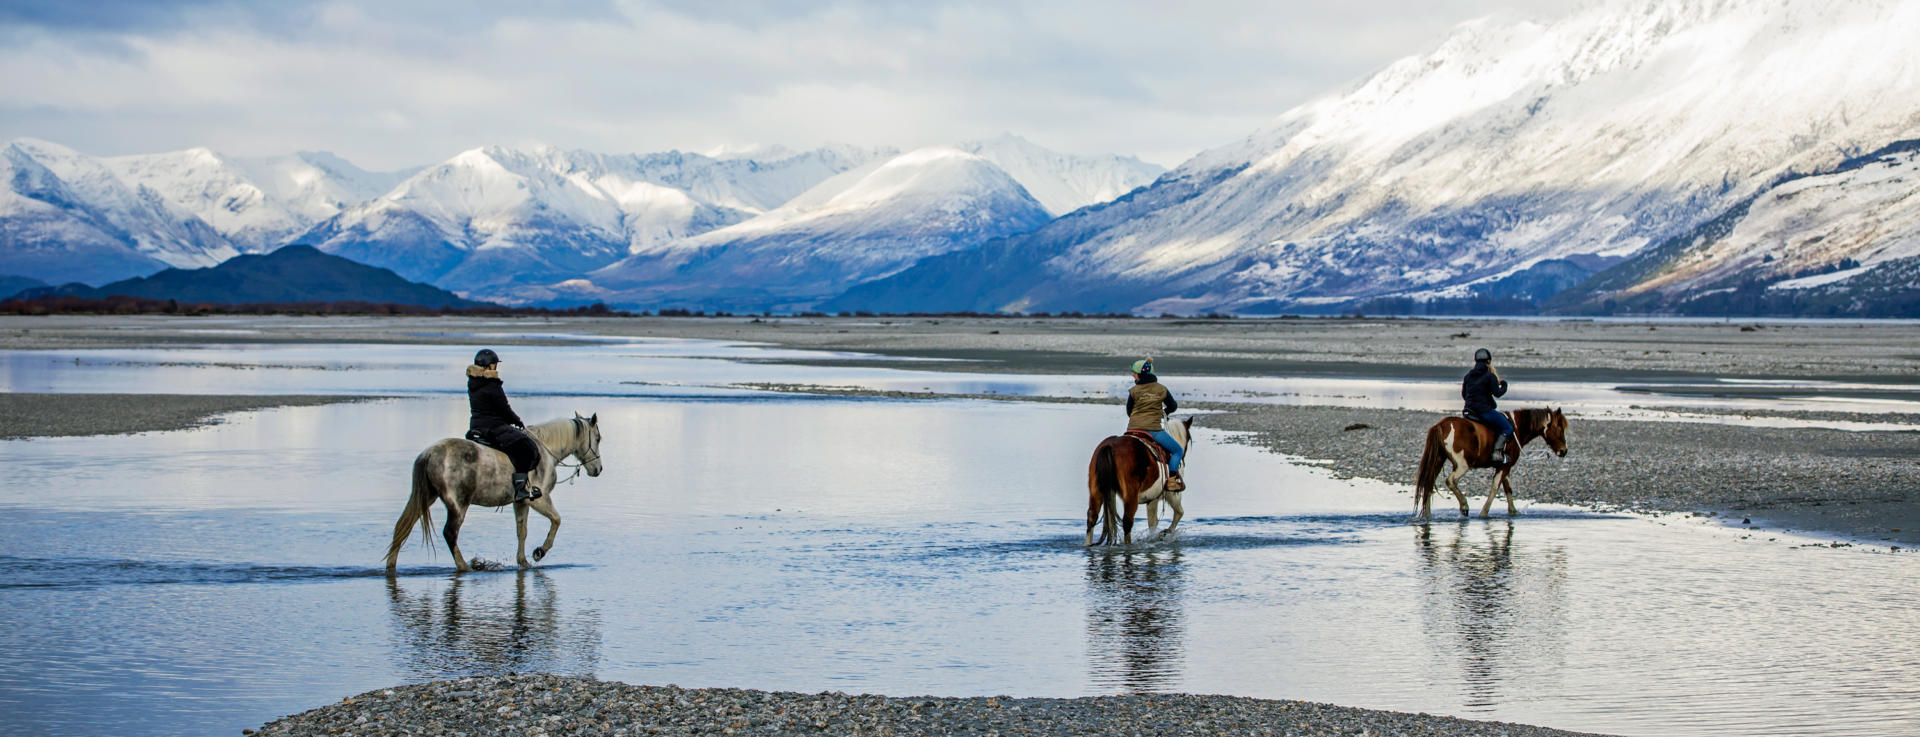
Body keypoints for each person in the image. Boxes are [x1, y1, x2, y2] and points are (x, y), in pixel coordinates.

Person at [467, 348, 541, 502]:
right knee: (526, 447)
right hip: (493, 427)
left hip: (476, 426)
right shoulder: (492, 384)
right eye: (494, 365)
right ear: (489, 366)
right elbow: (504, 409)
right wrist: (517, 421)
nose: (496, 367)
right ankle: (520, 489)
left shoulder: (473, 382)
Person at [1126, 357, 1185, 492]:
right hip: (1153, 430)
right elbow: (1173, 406)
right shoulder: (1161, 389)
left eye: (1134, 373)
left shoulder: (1133, 391)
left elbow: (1129, 411)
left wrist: (1138, 418)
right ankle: (1171, 481)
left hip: (1132, 429)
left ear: (1140, 374)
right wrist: (1164, 412)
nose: (1133, 375)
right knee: (1177, 451)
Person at [1462, 347, 1514, 465]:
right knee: (1508, 428)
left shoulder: (1468, 376)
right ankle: (1497, 453)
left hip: (1468, 411)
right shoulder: (1490, 376)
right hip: (1484, 411)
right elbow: (1498, 393)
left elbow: (1464, 395)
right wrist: (1504, 384)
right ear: (1488, 361)